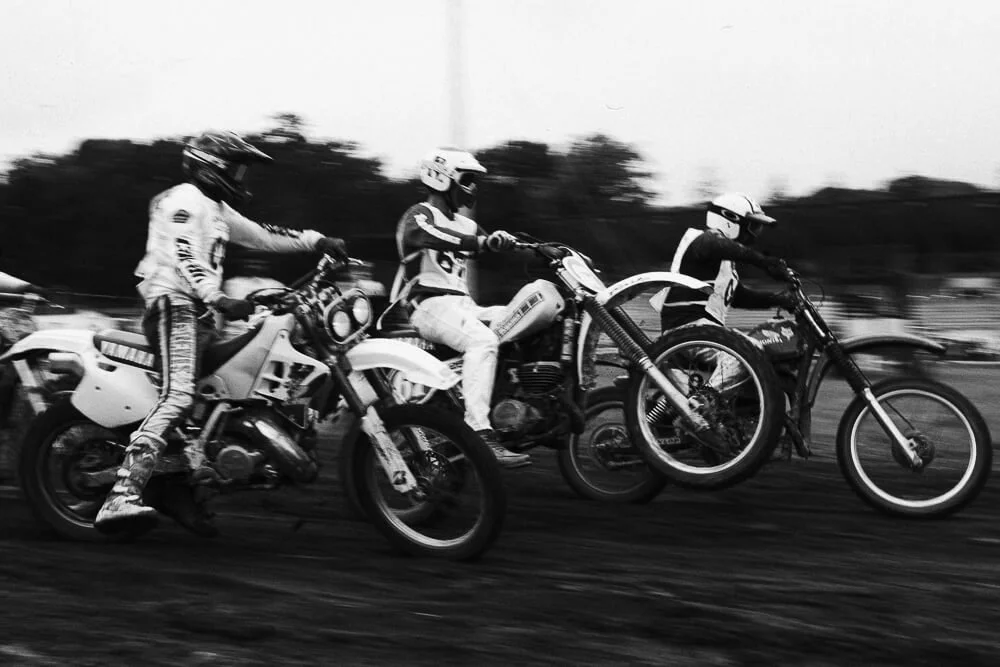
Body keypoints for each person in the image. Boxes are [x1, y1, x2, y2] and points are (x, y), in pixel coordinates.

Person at [94, 130, 347, 536]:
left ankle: (185, 484)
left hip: (200, 315)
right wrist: (217, 296)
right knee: (178, 395)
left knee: (223, 393)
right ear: (212, 167)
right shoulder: (182, 201)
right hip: (174, 308)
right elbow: (184, 255)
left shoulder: (216, 209)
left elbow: (265, 235)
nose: (242, 178)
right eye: (237, 169)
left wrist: (318, 241)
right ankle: (121, 495)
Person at [390, 148, 531, 468]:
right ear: (441, 178)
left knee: (522, 318)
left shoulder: (466, 226)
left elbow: (488, 241)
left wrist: (529, 246)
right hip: (427, 305)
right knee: (483, 341)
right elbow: (429, 234)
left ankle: (514, 411)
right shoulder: (420, 214)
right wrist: (482, 242)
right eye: (467, 180)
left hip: (464, 306)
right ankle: (479, 431)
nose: (473, 188)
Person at [651, 192, 795, 390]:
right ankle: (706, 405)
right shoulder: (702, 240)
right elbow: (715, 245)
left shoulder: (724, 261)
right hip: (684, 329)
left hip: (703, 331)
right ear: (730, 219)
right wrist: (765, 262)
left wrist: (779, 300)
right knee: (746, 352)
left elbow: (738, 297)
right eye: (752, 225)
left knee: (759, 351)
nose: (753, 233)